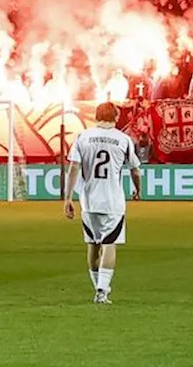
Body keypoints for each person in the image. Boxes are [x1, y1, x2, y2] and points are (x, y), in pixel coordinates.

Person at [63, 103, 142, 305]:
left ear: (96, 116)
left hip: (88, 200)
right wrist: (137, 188)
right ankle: (102, 291)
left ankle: (98, 286)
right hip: (113, 201)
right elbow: (134, 169)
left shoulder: (83, 137)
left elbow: (73, 167)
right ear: (116, 116)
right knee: (109, 244)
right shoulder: (123, 140)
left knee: (92, 244)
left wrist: (68, 198)